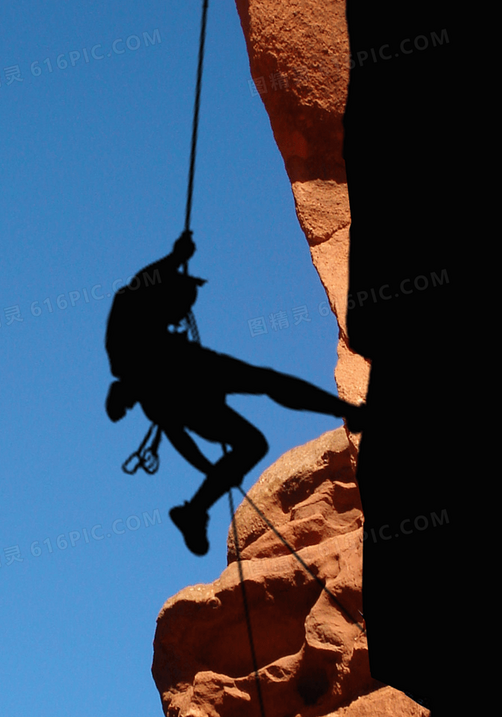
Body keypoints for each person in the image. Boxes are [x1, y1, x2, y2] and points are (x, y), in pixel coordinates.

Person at [105, 231, 366, 555]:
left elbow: (181, 439)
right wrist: (214, 475)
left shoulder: (143, 368)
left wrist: (213, 474)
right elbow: (133, 291)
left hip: (193, 374)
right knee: (262, 405)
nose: (184, 311)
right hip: (191, 377)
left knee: (266, 387)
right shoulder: (130, 351)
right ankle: (194, 511)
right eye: (183, 302)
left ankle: (194, 511)